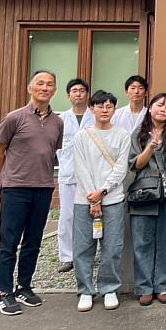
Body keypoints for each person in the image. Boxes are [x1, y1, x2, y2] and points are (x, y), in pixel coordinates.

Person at [0, 70, 64, 316]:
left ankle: (24, 286)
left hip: (43, 187)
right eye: (40, 83)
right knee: (9, 241)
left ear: (54, 90)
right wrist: (7, 176)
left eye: (50, 84)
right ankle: (4, 292)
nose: (45, 88)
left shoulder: (58, 122)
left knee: (33, 241)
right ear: (29, 87)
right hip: (15, 188)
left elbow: (51, 151)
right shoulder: (14, 118)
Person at [71, 91, 130, 312]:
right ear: (91, 108)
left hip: (113, 199)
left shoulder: (122, 135)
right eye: (99, 106)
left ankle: (109, 288)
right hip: (84, 199)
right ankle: (85, 290)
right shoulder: (82, 136)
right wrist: (92, 196)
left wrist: (102, 192)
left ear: (115, 109)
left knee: (112, 247)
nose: (104, 110)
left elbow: (121, 168)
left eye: (109, 106)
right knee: (83, 246)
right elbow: (80, 167)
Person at [128, 93, 166, 306]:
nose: (163, 109)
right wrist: (151, 146)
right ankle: (144, 287)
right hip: (144, 194)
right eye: (159, 105)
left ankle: (163, 286)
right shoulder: (138, 134)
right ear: (150, 108)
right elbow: (136, 164)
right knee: (142, 242)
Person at [56, 78, 94, 274]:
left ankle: (91, 253)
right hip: (69, 174)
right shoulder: (60, 120)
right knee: (67, 216)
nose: (78, 94)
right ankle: (67, 256)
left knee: (94, 214)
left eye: (82, 90)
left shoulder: (95, 117)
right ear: (68, 96)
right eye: (74, 91)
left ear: (87, 94)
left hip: (92, 175)